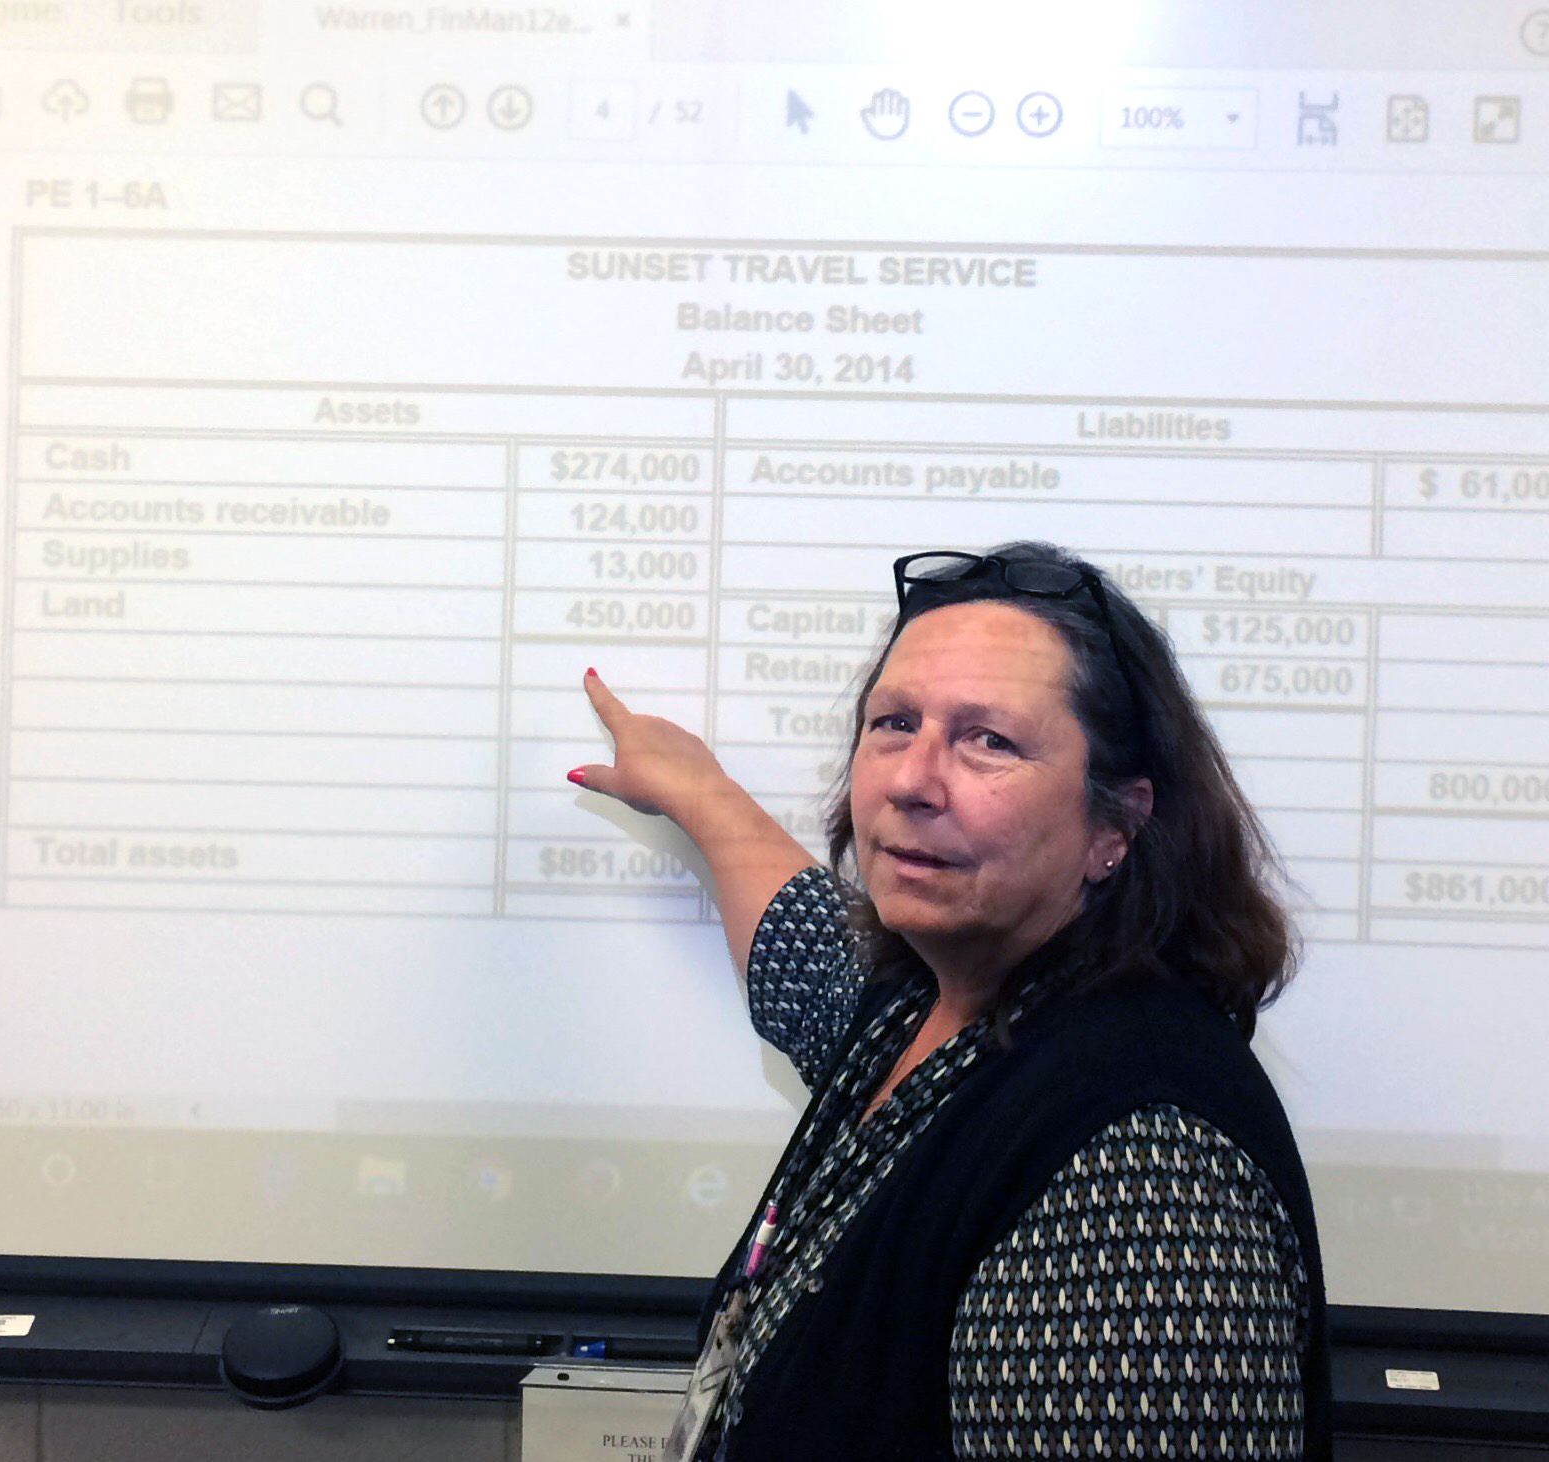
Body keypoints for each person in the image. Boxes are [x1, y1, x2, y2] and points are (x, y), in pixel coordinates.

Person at [568, 542, 1331, 1462]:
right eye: (893, 724)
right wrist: (698, 790)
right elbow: (805, 953)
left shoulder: (1139, 1167)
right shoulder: (927, 1010)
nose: (910, 782)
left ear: (1117, 824)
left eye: (989, 741)